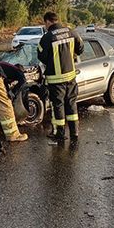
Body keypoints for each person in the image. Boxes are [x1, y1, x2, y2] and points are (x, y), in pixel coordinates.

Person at [37, 12, 84, 141]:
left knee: (58, 106)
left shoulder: (47, 37)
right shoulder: (72, 32)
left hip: (56, 79)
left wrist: (52, 62)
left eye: (45, 24)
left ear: (47, 22)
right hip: (71, 77)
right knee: (71, 104)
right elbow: (80, 49)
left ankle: (60, 133)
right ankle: (75, 133)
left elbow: (41, 56)